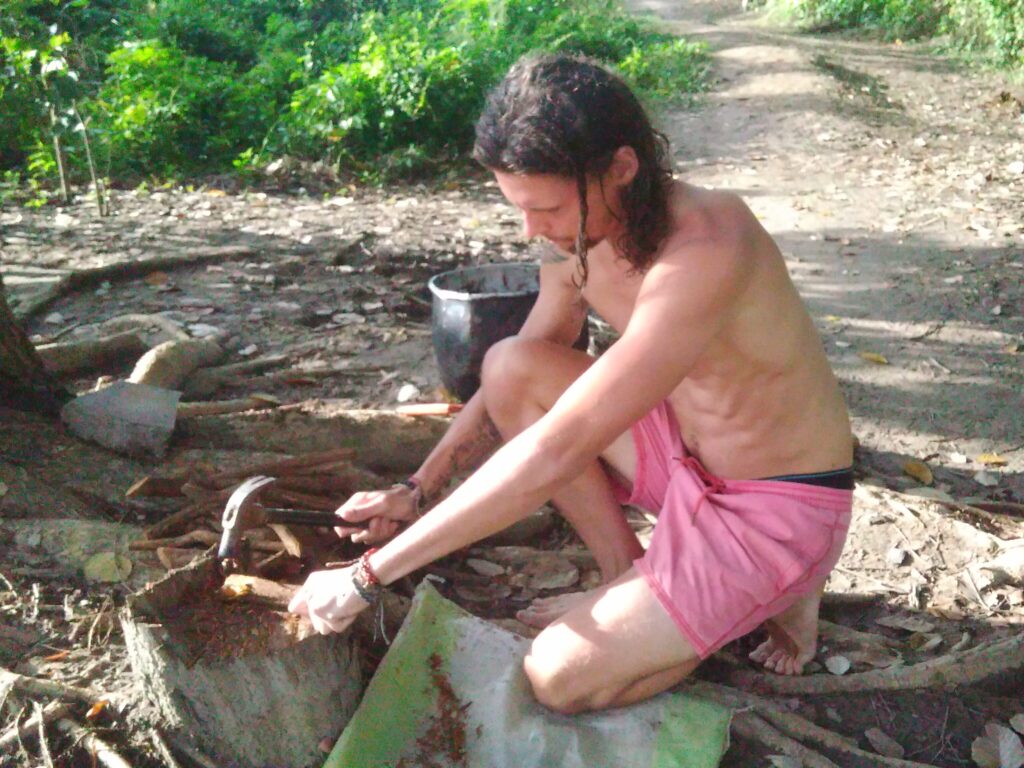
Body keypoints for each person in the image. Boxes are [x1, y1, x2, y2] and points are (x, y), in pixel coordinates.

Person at [288, 52, 855, 714]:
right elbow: (518, 379)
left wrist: (365, 577)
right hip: (686, 461)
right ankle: (630, 576)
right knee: (510, 363)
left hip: (773, 504)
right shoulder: (581, 244)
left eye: (548, 208)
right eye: (520, 209)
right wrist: (417, 487)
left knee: (558, 676)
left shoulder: (707, 247)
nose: (532, 232)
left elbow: (557, 447)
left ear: (620, 168)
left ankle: (775, 591)